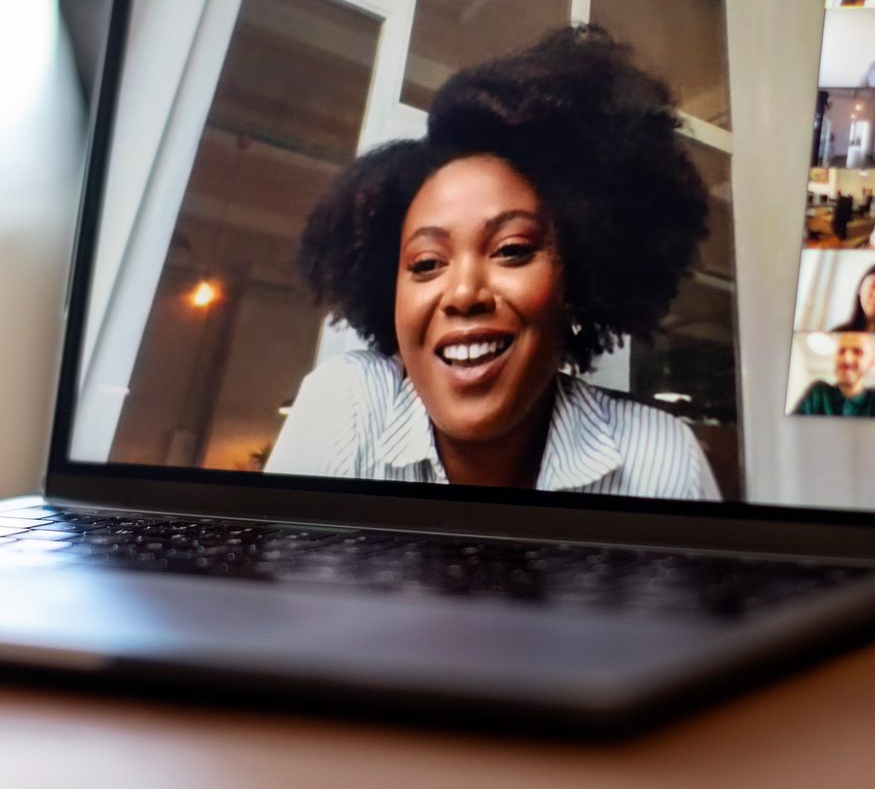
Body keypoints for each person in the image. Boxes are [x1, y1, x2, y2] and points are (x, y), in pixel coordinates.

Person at [266, 26, 722, 499]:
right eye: (426, 263)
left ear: (577, 281)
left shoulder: (661, 464)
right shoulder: (346, 411)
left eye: (511, 250)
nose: (464, 294)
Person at [791, 332, 875, 418]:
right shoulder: (818, 392)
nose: (846, 359)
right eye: (841, 351)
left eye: (858, 351)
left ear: (870, 363)